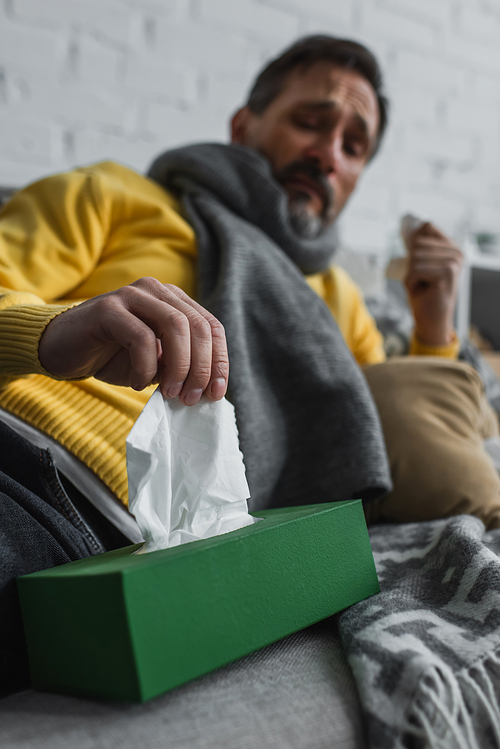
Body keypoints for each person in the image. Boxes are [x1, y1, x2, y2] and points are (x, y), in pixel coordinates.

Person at [0, 35, 497, 694]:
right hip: (26, 452)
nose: (328, 154)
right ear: (244, 125)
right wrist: (53, 330)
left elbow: (389, 441)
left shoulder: (339, 302)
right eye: (310, 122)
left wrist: (435, 329)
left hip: (126, 542)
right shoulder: (115, 193)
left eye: (354, 146)